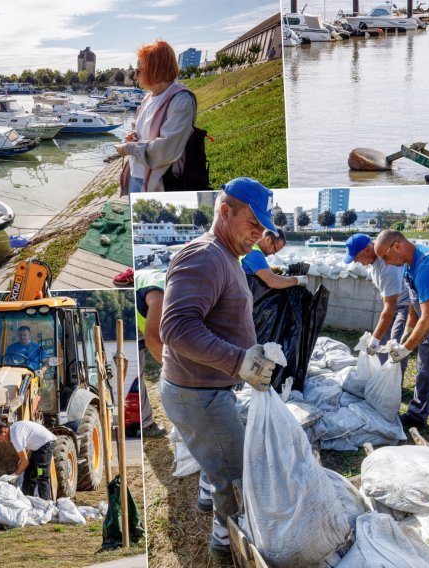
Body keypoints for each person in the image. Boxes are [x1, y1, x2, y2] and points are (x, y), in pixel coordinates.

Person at [159, 177, 279, 559]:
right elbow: (175, 328)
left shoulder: (224, 256)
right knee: (235, 475)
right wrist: (238, 360)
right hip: (200, 395)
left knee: (217, 458)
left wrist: (247, 350)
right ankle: (225, 544)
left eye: (263, 228)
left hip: (203, 390)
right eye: (252, 224)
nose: (258, 235)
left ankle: (208, 497)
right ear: (225, 212)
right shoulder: (205, 256)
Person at [374, 229, 429, 442]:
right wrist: (408, 334)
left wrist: (407, 348)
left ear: (397, 246)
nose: (387, 263)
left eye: (385, 257)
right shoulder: (408, 266)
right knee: (423, 372)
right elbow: (414, 303)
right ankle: (417, 414)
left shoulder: (428, 265)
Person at [115, 39, 197, 193]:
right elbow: (142, 130)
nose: (134, 76)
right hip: (136, 175)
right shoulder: (149, 97)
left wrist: (129, 148)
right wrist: (134, 135)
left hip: (161, 183)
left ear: (155, 69)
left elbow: (167, 149)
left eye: (138, 71)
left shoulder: (181, 100)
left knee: (155, 217)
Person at [344, 233, 410, 367]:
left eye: (356, 257)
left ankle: (394, 384)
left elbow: (389, 307)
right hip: (393, 306)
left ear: (367, 250)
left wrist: (374, 340)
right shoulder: (373, 265)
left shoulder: (387, 266)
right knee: (382, 340)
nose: (356, 262)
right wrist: (377, 338)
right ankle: (380, 375)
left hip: (406, 306)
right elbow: (385, 301)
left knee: (396, 344)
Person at [134, 270, 168, 438]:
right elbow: (153, 341)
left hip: (138, 310)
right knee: (135, 373)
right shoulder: (160, 296)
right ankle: (144, 424)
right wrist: (177, 371)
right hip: (127, 321)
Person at [0, 421, 56, 501]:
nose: (2, 441)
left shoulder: (15, 436)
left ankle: (46, 504)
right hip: (38, 447)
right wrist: (22, 459)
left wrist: (14, 476)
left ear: (4, 430)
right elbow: (26, 446)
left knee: (41, 476)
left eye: (0, 438)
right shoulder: (14, 429)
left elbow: (25, 462)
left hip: (45, 444)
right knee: (29, 473)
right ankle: (27, 500)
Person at [241, 229, 308, 289]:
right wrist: (298, 280)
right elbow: (273, 281)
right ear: (268, 240)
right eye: (275, 249)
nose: (273, 254)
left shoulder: (250, 247)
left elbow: (260, 269)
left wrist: (278, 268)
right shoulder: (255, 253)